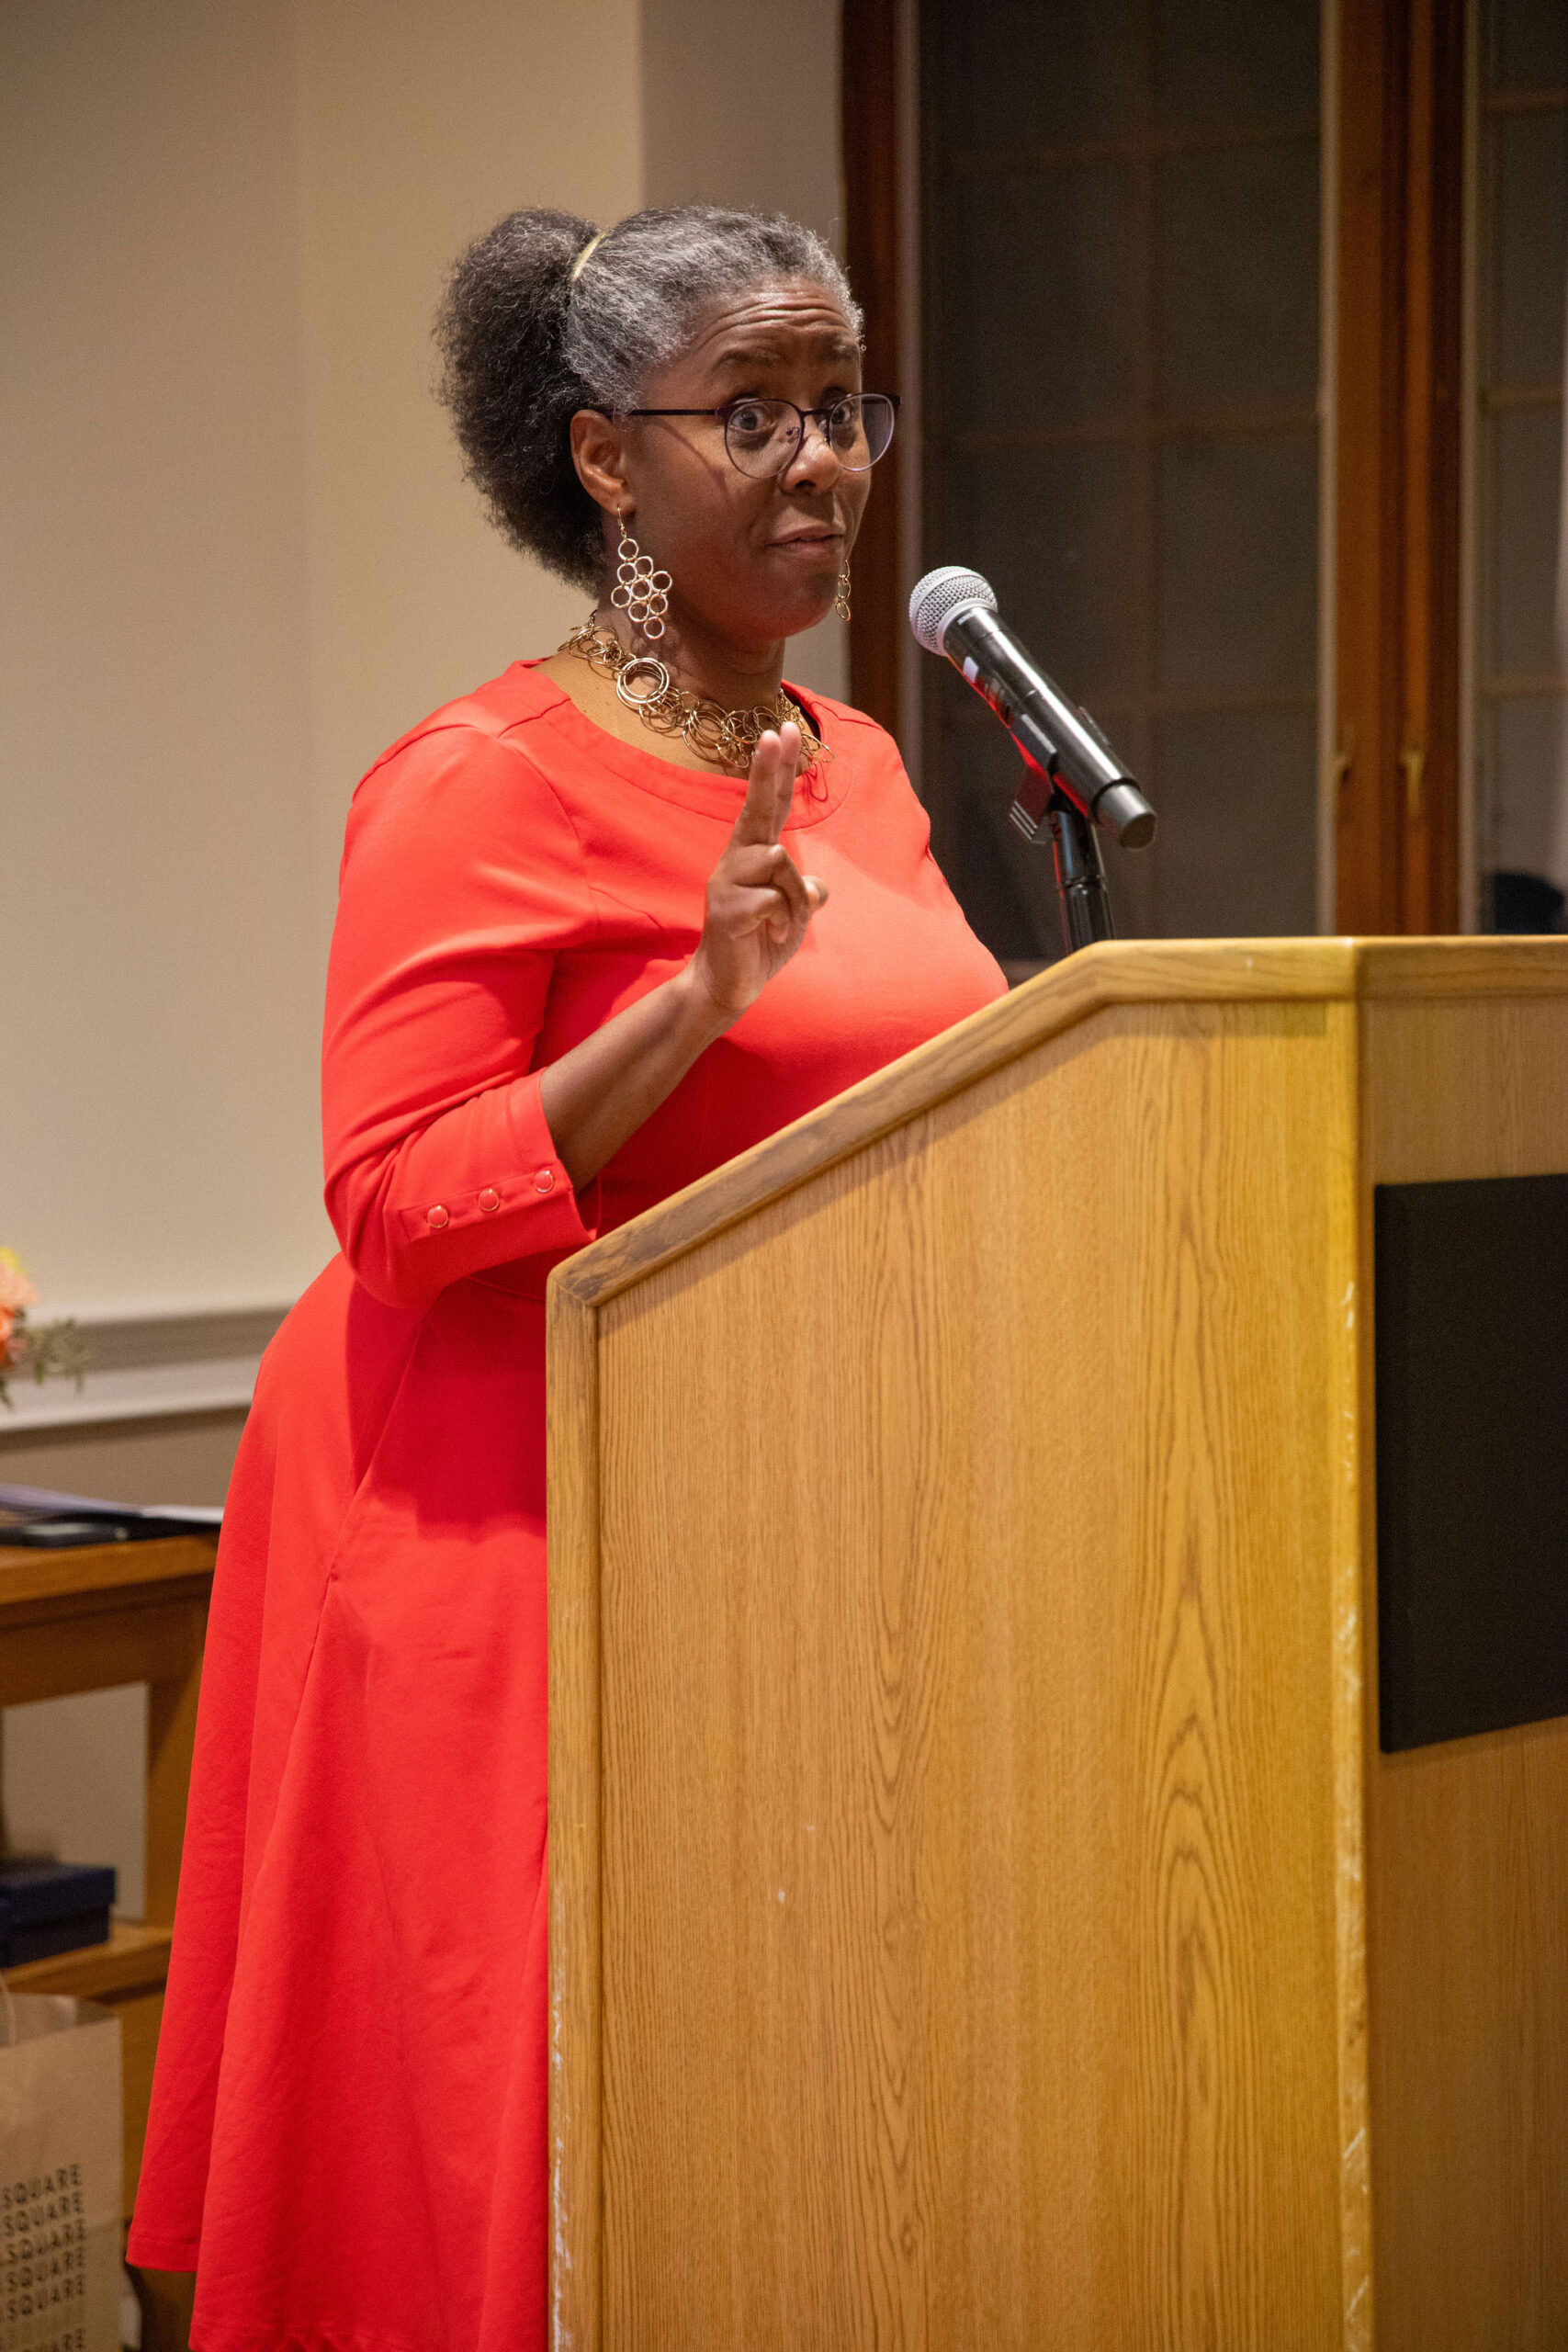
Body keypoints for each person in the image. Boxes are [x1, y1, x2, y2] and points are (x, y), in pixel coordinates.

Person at [127, 203, 1005, 2350]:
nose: (820, 460)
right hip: (493, 1508)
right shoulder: (473, 781)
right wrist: (689, 1006)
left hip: (772, 1499)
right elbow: (391, 1201)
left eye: (843, 407)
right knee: (502, 2104)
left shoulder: (863, 766)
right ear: (606, 456)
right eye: (751, 413)